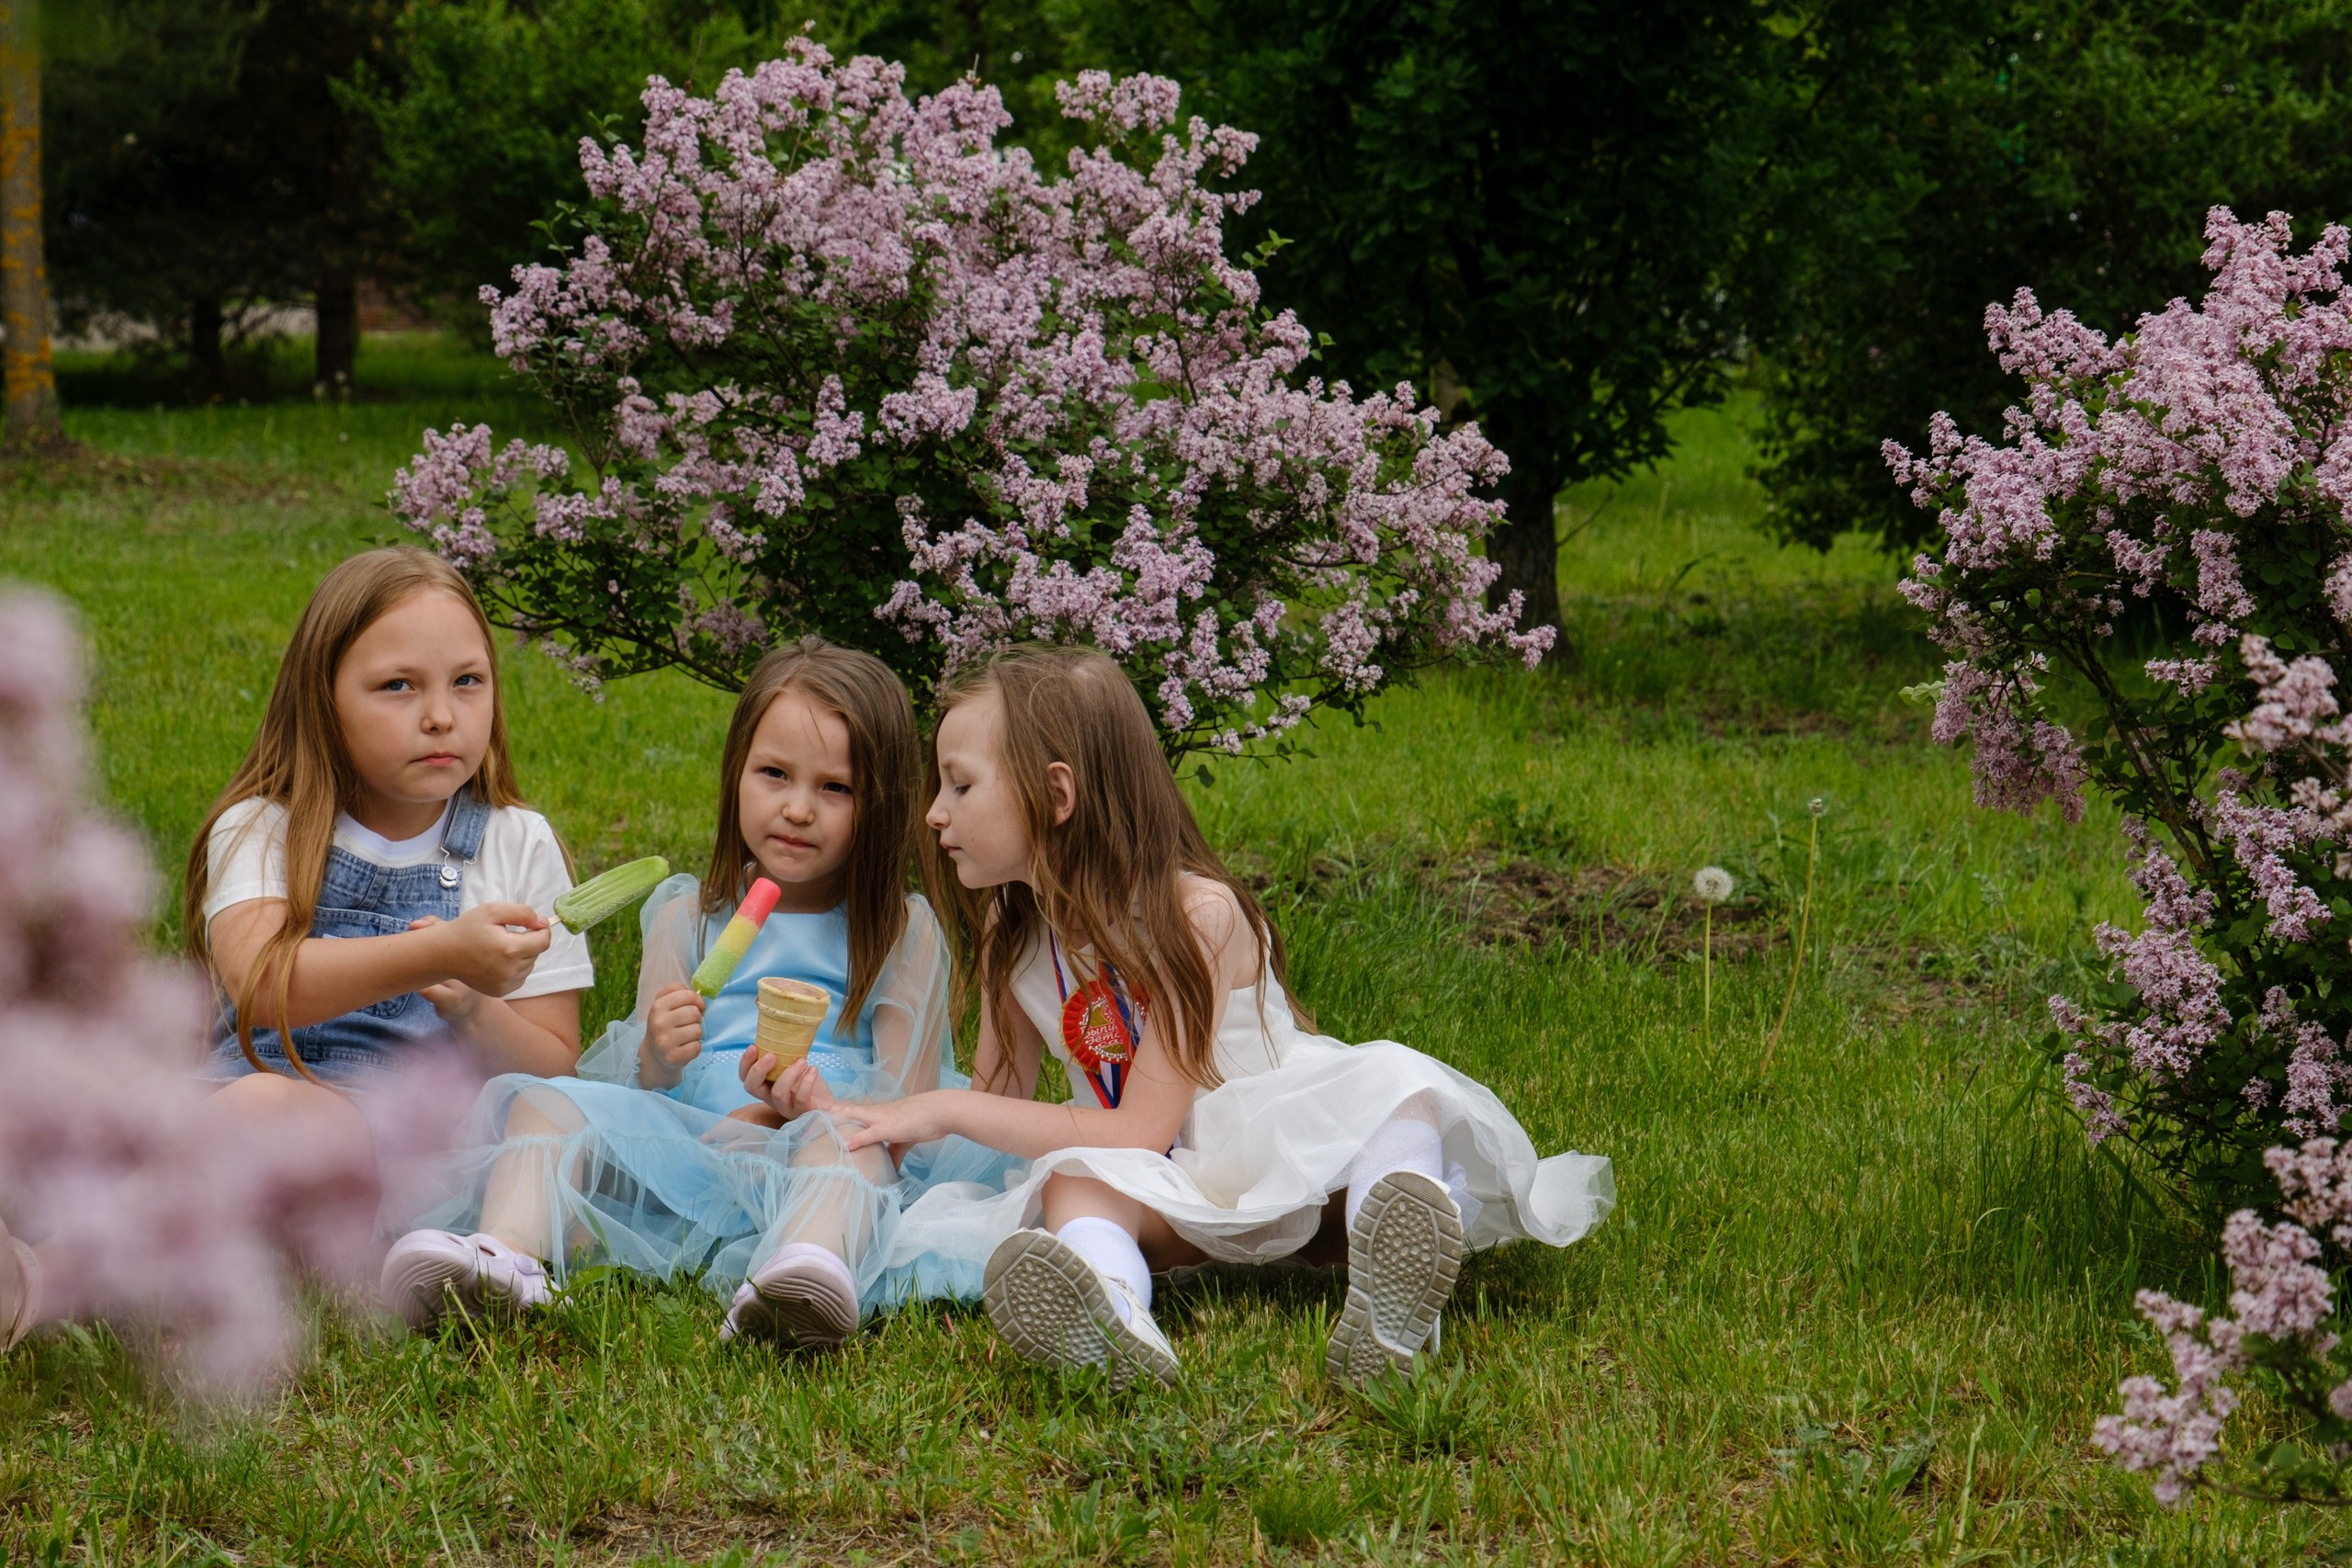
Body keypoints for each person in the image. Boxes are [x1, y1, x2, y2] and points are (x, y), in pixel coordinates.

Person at [818, 645, 1614, 1389]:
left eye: (959, 784)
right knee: (1073, 1183)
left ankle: (1391, 1282)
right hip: (1166, 1186)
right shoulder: (1014, 932)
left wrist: (943, 1103)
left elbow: (1141, 1121)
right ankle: (1111, 1308)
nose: (933, 813)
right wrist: (873, 1122)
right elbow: (1006, 1099)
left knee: (1392, 1087)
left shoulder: (1196, 914)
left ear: (1056, 795)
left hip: (1286, 1160)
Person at [385, 638, 1008, 1348]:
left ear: (881, 804)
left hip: (810, 1142)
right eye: (774, 773)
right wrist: (658, 1050)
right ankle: (506, 1258)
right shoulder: (688, 916)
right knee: (544, 1103)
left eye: (834, 787)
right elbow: (647, 1089)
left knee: (850, 1148)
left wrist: (802, 1111)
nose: (798, 809)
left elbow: (902, 1113)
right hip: (687, 1156)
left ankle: (803, 1272)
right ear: (735, 775)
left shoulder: (900, 931)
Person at [185, 546, 590, 1223]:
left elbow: (552, 1075)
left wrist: (470, 1005)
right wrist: (437, 952)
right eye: (398, 685)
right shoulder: (260, 827)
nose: (439, 715)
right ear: (324, 701)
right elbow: (261, 984)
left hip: (419, 1154)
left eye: (467, 680)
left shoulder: (517, 841)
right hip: (262, 1112)